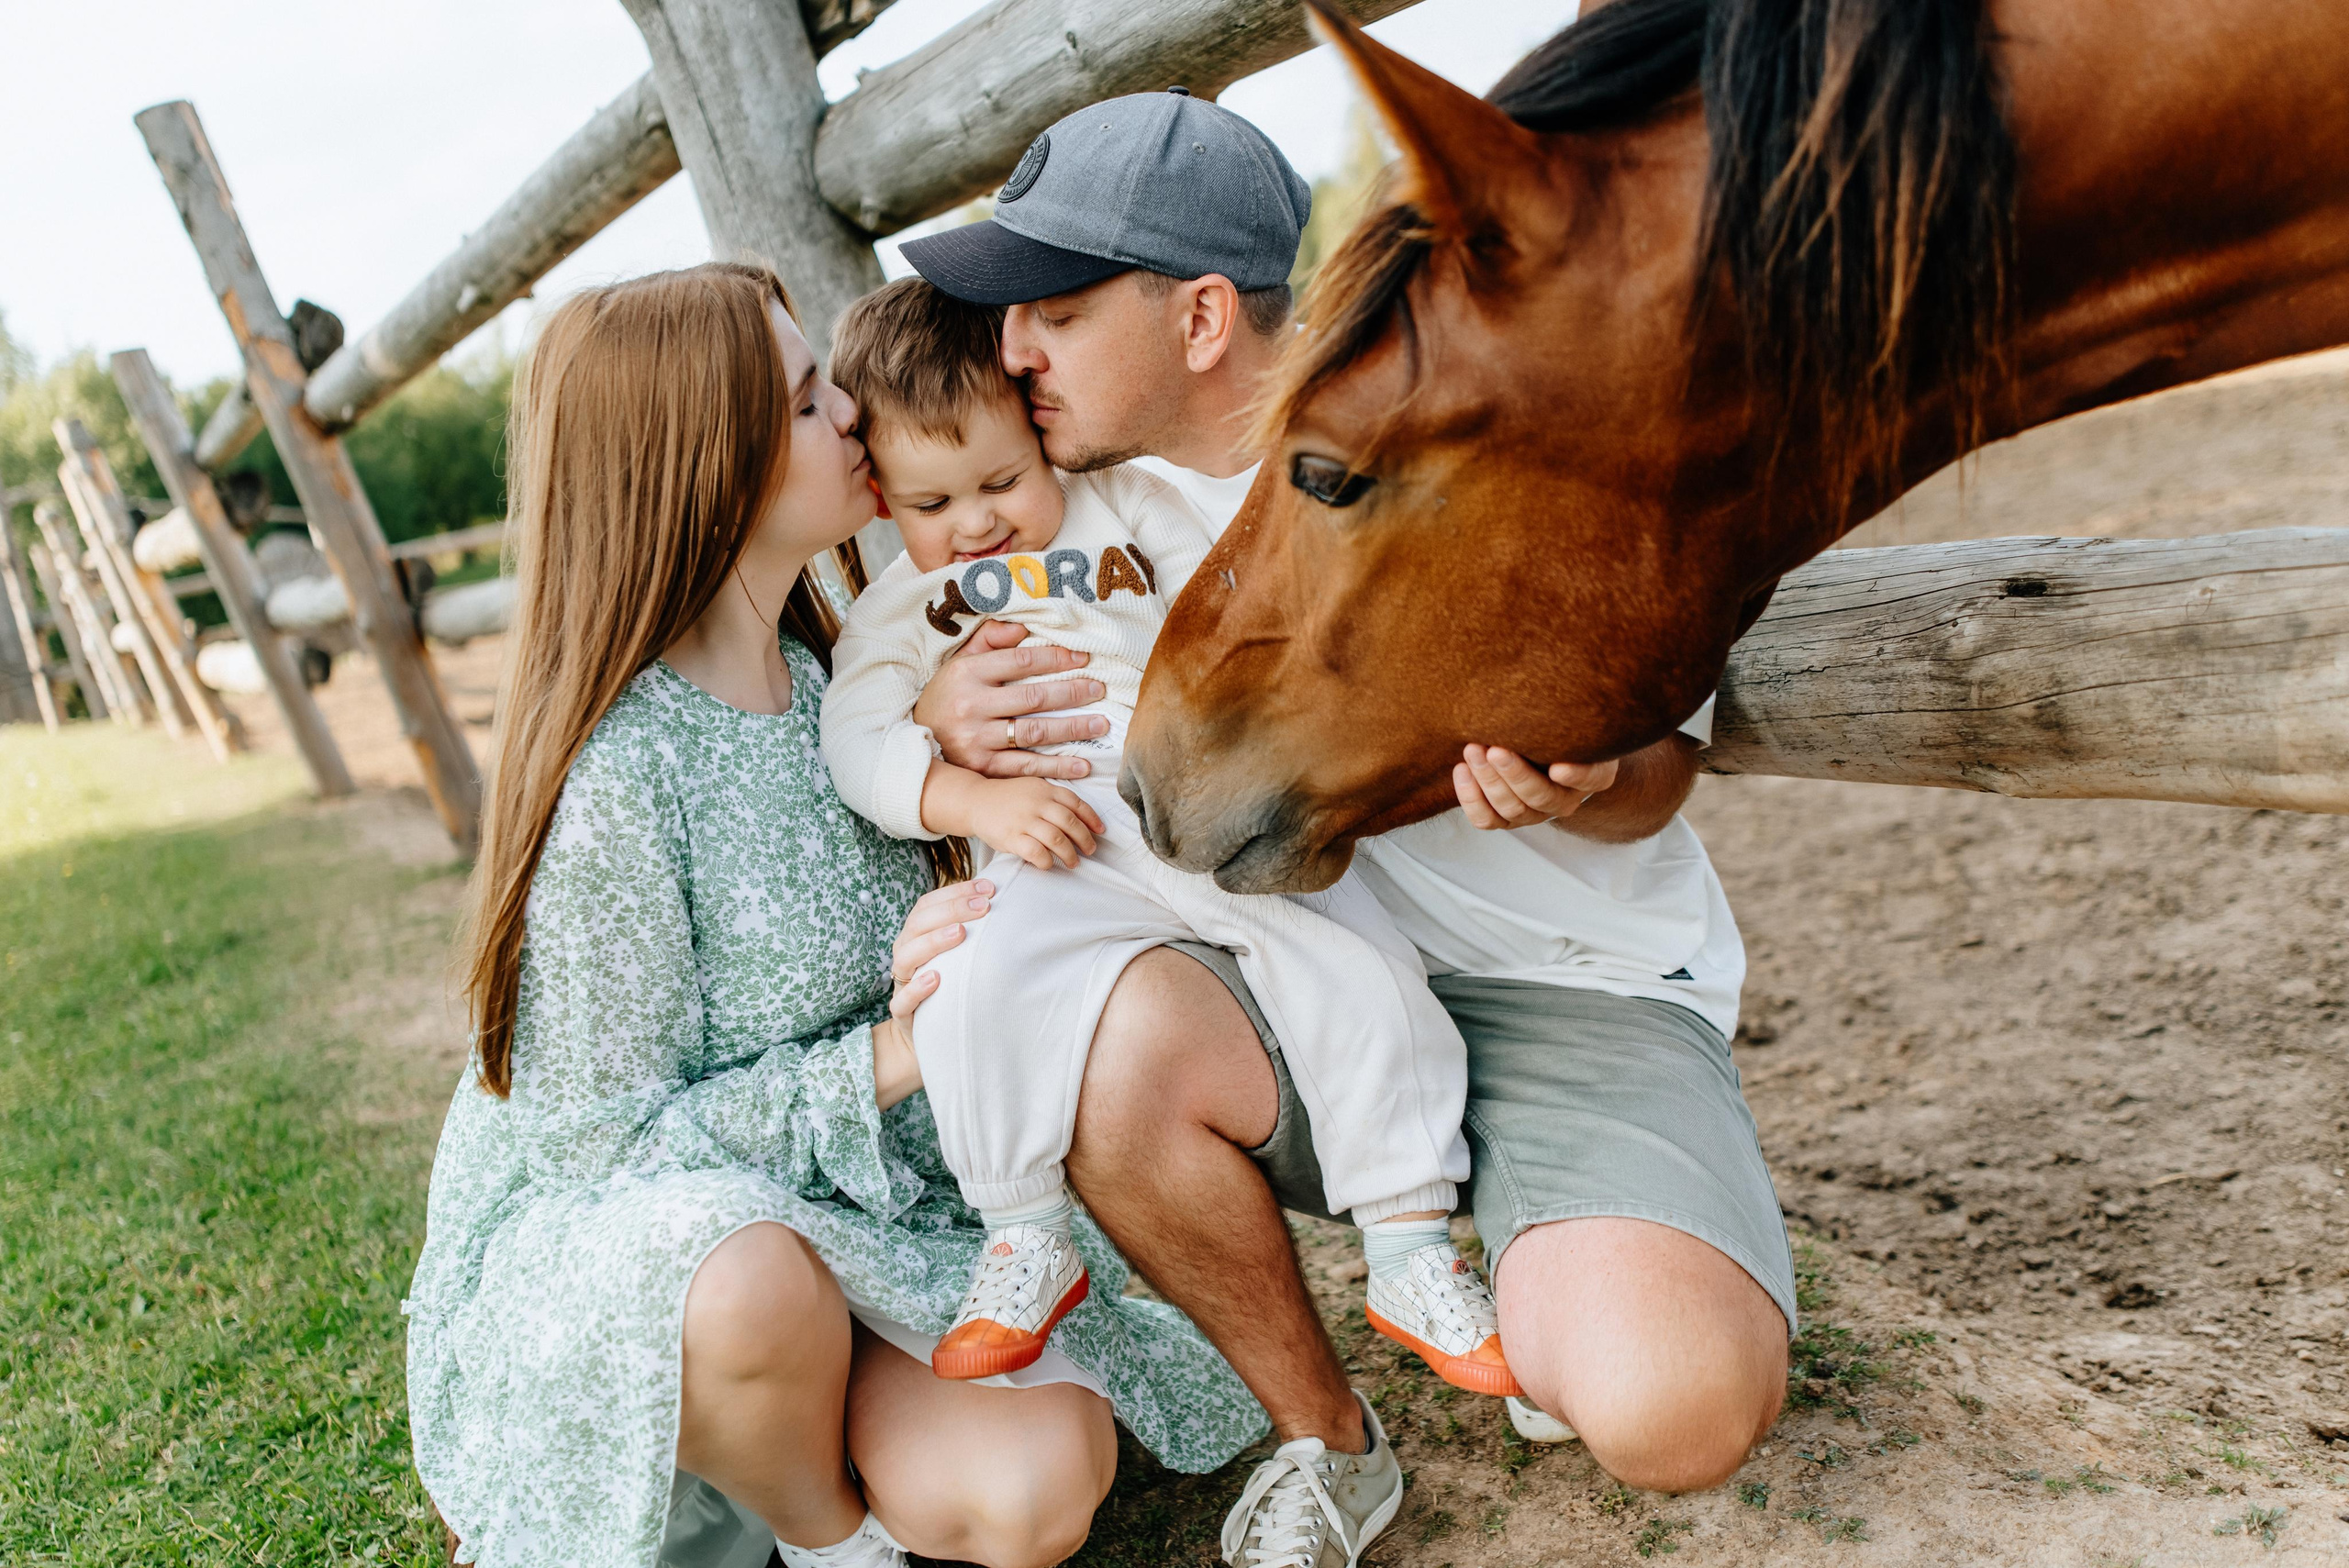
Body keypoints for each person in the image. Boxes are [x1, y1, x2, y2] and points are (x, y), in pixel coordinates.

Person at [899, 89, 1796, 1567]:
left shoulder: (1476, 432)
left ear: (1200, 317)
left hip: (1572, 985)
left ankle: (1560, 1263)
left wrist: (1585, 777)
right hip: (1297, 981)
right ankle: (1329, 1440)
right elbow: (910, 635)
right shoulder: (1054, 509)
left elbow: (1660, 777)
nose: (1013, 351)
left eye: (1055, 311)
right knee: (1105, 1052)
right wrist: (943, 737)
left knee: (1672, 1412)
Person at [402, 262, 1265, 1568]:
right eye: (811, 401)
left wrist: (946, 767)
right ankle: (821, 1532)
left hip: (876, 1206)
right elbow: (602, 1149)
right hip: (680, 1251)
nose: (854, 414)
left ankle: (826, 1426)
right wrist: (893, 1052)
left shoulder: (854, 675)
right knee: (750, 1283)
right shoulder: (620, 778)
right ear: (712, 467)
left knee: (1029, 1496)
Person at [818, 277, 1513, 1399]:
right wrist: (967, 800)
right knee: (966, 979)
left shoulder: (1125, 505)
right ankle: (1023, 1229)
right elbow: (854, 738)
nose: (976, 522)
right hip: (1049, 842)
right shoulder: (903, 601)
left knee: (1356, 955)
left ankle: (1407, 1237)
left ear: (1037, 431)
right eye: (931, 501)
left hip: (1192, 804)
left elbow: (1234, 608)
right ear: (882, 497)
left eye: (1001, 480)